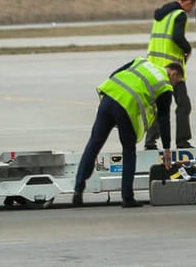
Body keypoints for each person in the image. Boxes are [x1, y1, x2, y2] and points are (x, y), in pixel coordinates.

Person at [71, 58, 183, 208]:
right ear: (174, 73)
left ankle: (78, 190)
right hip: (126, 108)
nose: (175, 85)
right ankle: (127, 197)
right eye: (177, 81)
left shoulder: (142, 62)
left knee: (94, 144)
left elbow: (115, 74)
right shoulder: (165, 86)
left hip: (109, 98)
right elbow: (164, 120)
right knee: (129, 151)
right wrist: (167, 149)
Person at [142, 0, 196, 150]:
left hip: (155, 68)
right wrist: (188, 48)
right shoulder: (179, 15)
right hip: (173, 70)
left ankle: (150, 141)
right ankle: (182, 141)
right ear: (187, 2)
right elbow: (177, 37)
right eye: (192, 6)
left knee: (159, 105)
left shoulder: (161, 16)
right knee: (184, 105)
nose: (191, 10)